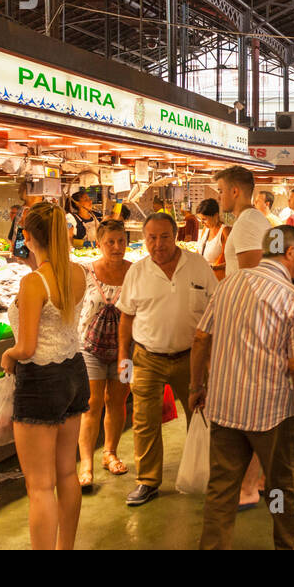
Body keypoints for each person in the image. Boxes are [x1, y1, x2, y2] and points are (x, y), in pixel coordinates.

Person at [191, 225, 294, 549]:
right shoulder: (293, 298)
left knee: (221, 490)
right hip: (272, 413)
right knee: (279, 488)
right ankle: (287, 544)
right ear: (289, 253)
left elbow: (202, 337)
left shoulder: (229, 284)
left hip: (224, 407)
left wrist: (196, 386)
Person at [0, 202, 90, 549]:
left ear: (26, 236)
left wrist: (7, 356)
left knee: (39, 485)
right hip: (74, 373)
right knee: (68, 472)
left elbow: (25, 347)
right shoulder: (80, 272)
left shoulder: (33, 282)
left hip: (40, 381)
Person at [116, 212, 214, 506]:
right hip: (147, 357)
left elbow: (216, 310)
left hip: (191, 358)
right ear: (144, 239)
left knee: (200, 416)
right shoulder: (137, 271)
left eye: (164, 237)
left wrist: (211, 358)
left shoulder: (198, 265)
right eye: (151, 238)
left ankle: (202, 474)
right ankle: (148, 481)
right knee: (145, 421)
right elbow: (126, 317)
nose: (158, 244)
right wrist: (123, 357)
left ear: (177, 236)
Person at [211, 164, 272, 504]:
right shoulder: (251, 222)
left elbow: (252, 278)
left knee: (249, 409)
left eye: (221, 190)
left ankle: (249, 487)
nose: (218, 196)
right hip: (251, 327)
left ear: (235, 191)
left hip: (248, 328)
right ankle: (260, 479)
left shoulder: (248, 223)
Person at [77, 218, 132, 486]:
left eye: (121, 241)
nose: (116, 246)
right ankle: (86, 462)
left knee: (118, 401)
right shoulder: (85, 272)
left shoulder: (135, 272)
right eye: (110, 242)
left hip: (127, 350)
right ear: (99, 244)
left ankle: (110, 452)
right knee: (91, 404)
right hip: (90, 349)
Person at [194, 197, 230, 282]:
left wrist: (215, 267)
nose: (202, 223)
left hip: (218, 281)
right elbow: (199, 252)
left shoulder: (225, 231)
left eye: (204, 219)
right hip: (204, 279)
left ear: (216, 215)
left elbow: (233, 260)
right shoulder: (205, 230)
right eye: (200, 219)